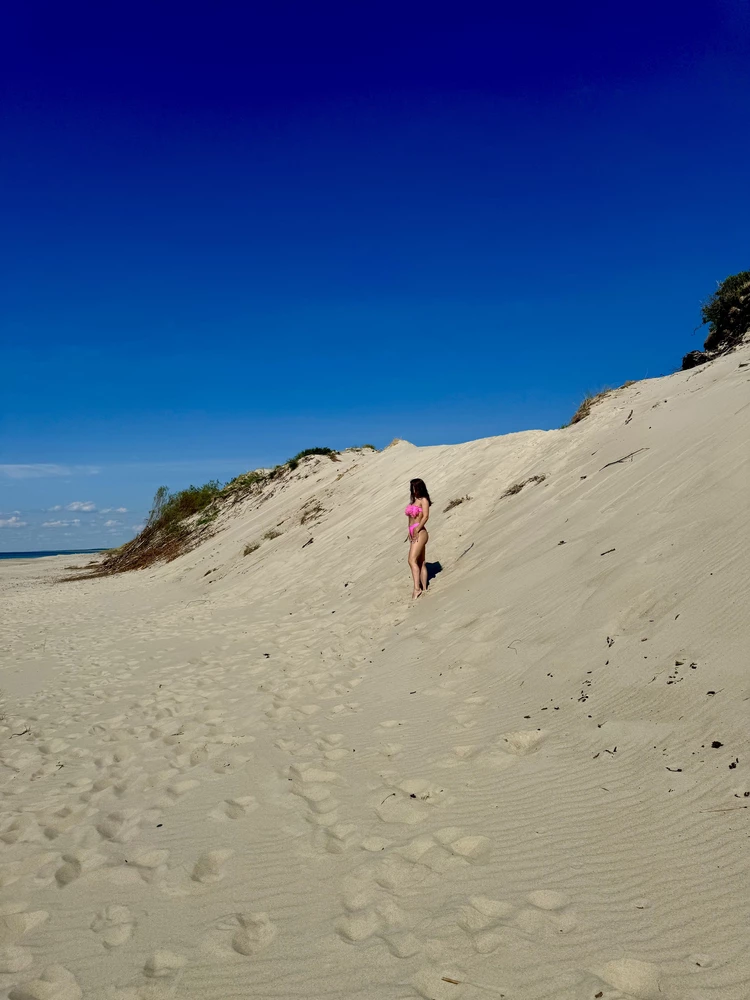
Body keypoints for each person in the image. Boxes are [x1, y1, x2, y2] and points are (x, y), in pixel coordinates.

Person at [405, 478, 431, 599]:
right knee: (420, 562)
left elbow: (425, 517)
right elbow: (410, 519)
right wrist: (409, 530)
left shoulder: (423, 500)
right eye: (412, 488)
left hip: (420, 532)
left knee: (411, 560)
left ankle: (417, 588)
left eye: (415, 487)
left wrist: (416, 529)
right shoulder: (413, 501)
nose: (413, 490)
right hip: (413, 531)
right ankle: (424, 588)